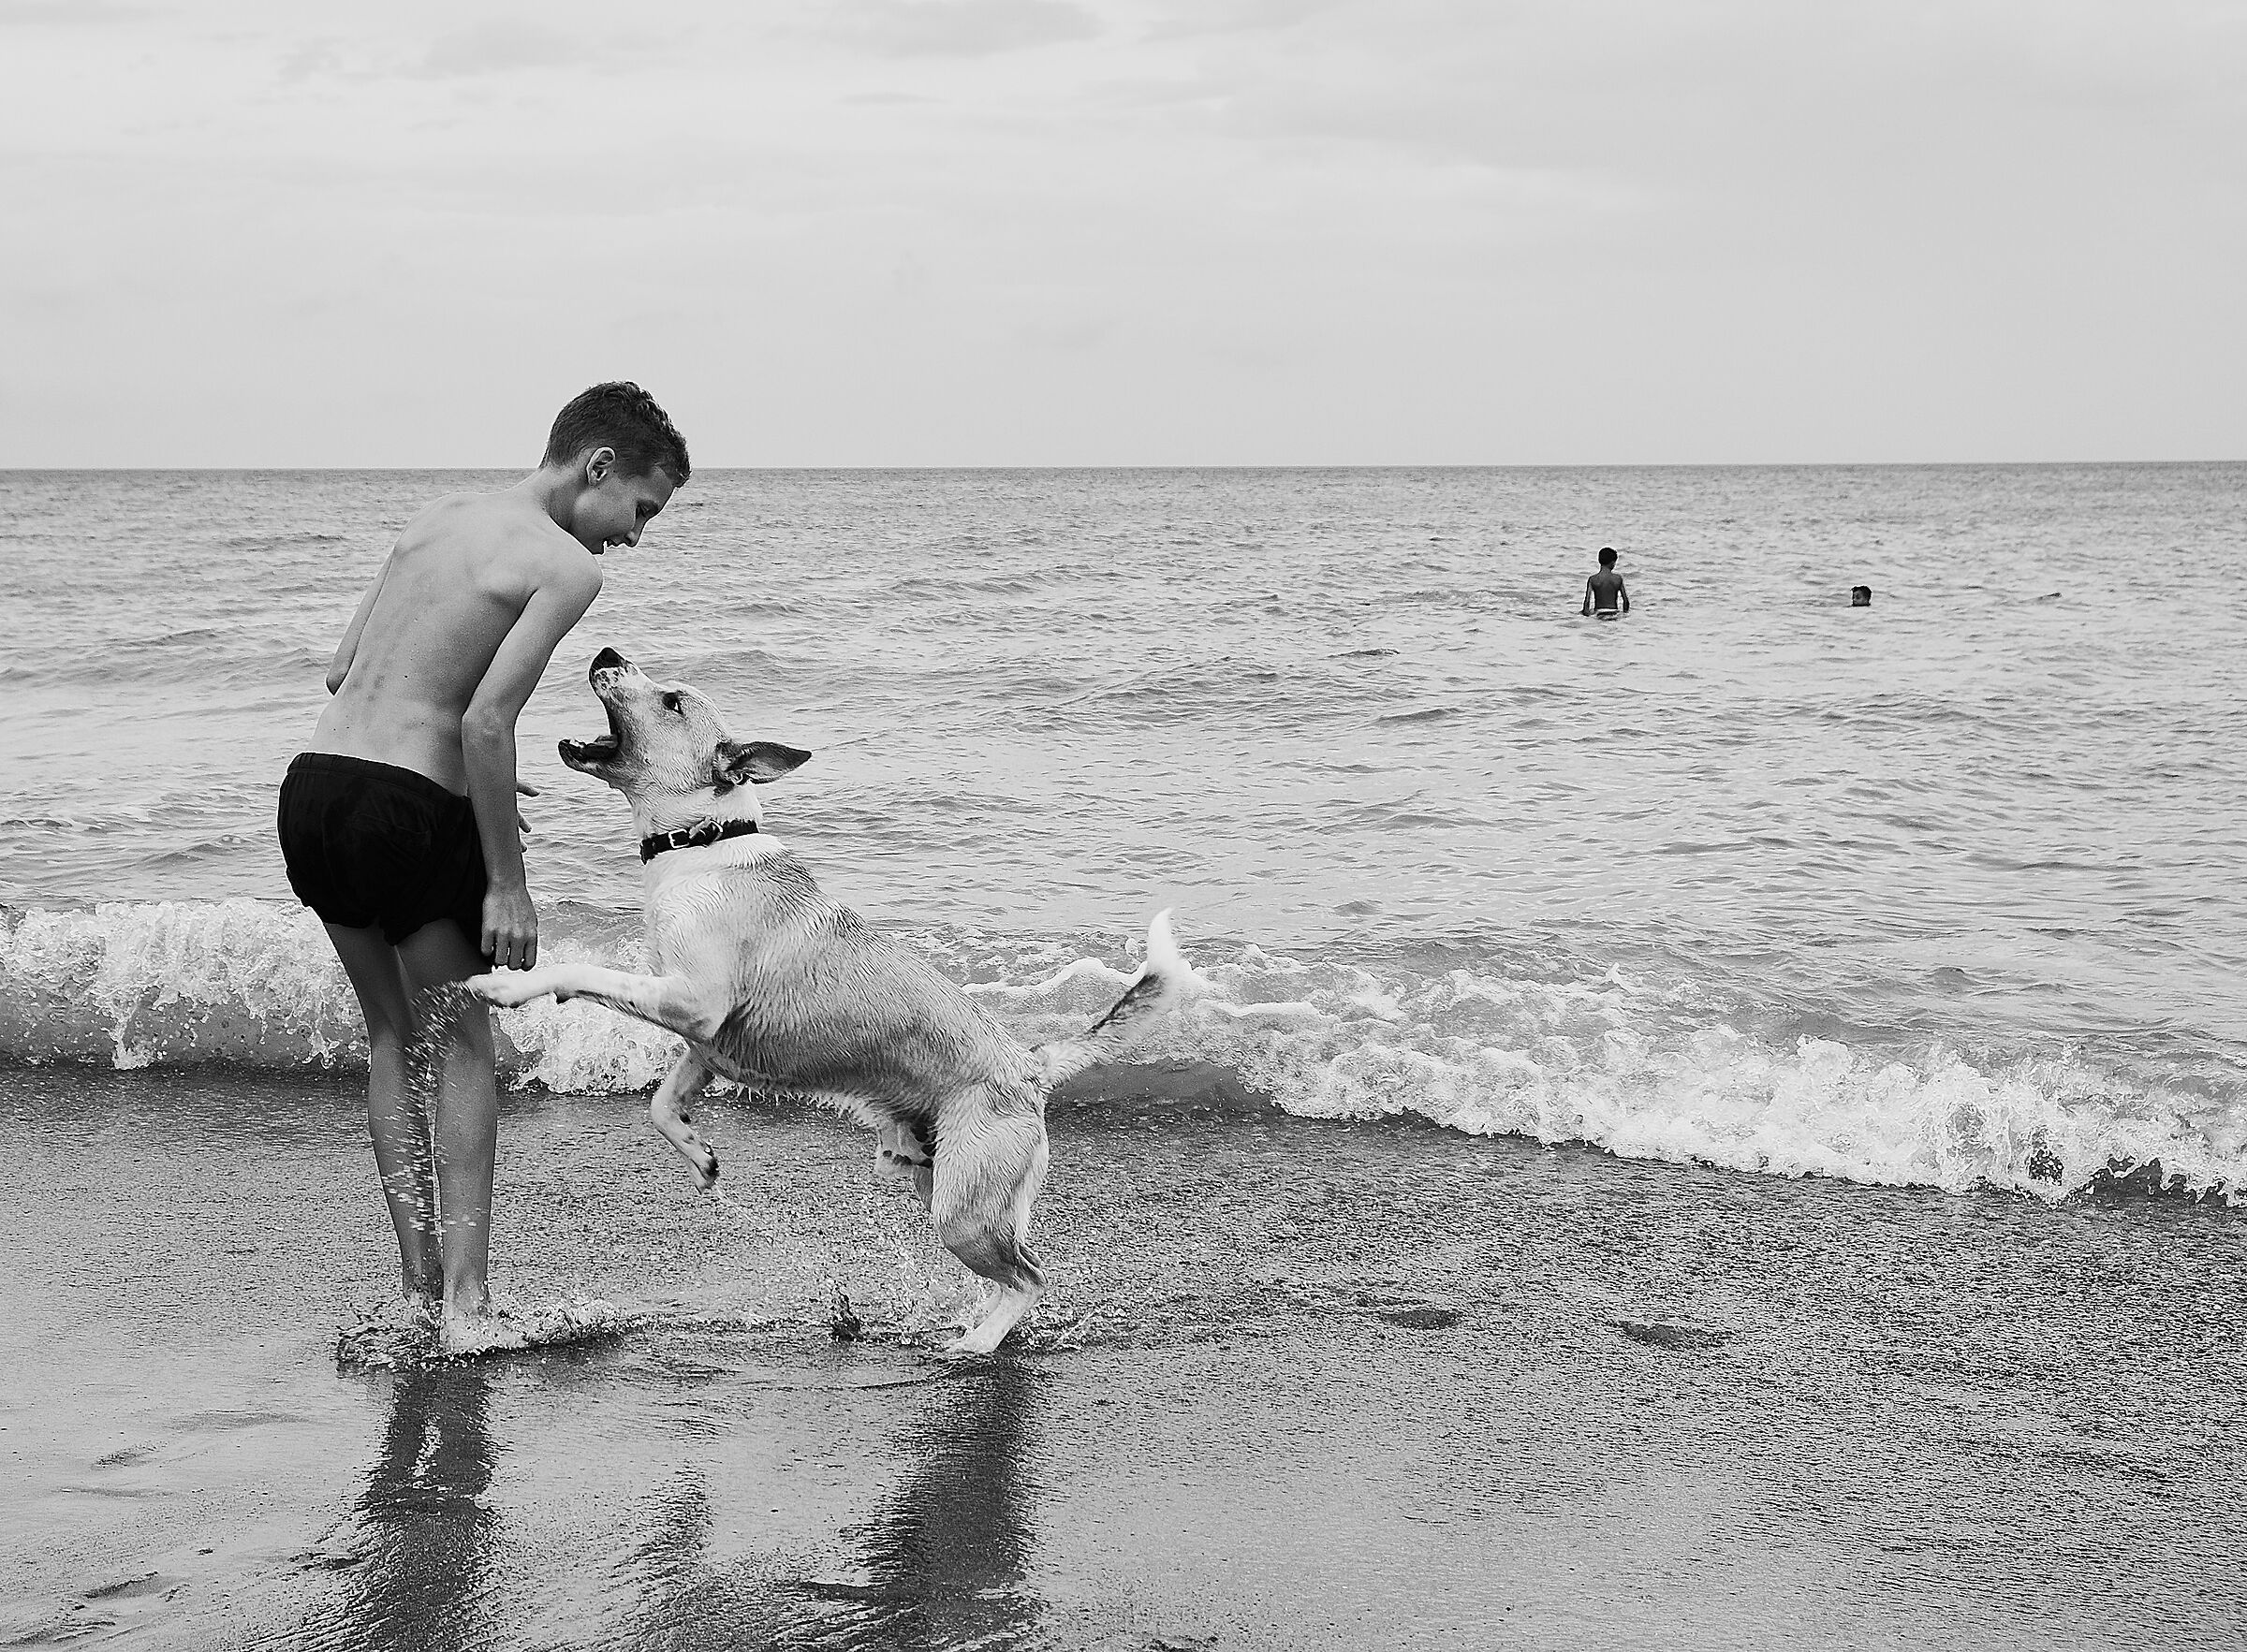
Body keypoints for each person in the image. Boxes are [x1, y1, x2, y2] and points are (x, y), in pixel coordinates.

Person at [276, 382, 689, 1349]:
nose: (634, 536)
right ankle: (467, 1308)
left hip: (315, 794)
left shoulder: (437, 517)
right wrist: (507, 880)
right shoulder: (566, 566)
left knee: (392, 1036)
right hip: (402, 811)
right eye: (640, 509)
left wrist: (460, 786)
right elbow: (485, 719)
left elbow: (343, 674)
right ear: (597, 466)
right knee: (464, 1041)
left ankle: (419, 1290)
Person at [1581, 547, 1629, 619]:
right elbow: (1625, 600)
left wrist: (1586, 614)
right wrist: (1625, 613)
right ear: (1613, 562)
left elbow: (1587, 601)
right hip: (1614, 612)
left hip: (1599, 613)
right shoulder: (1618, 578)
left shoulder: (1593, 579)